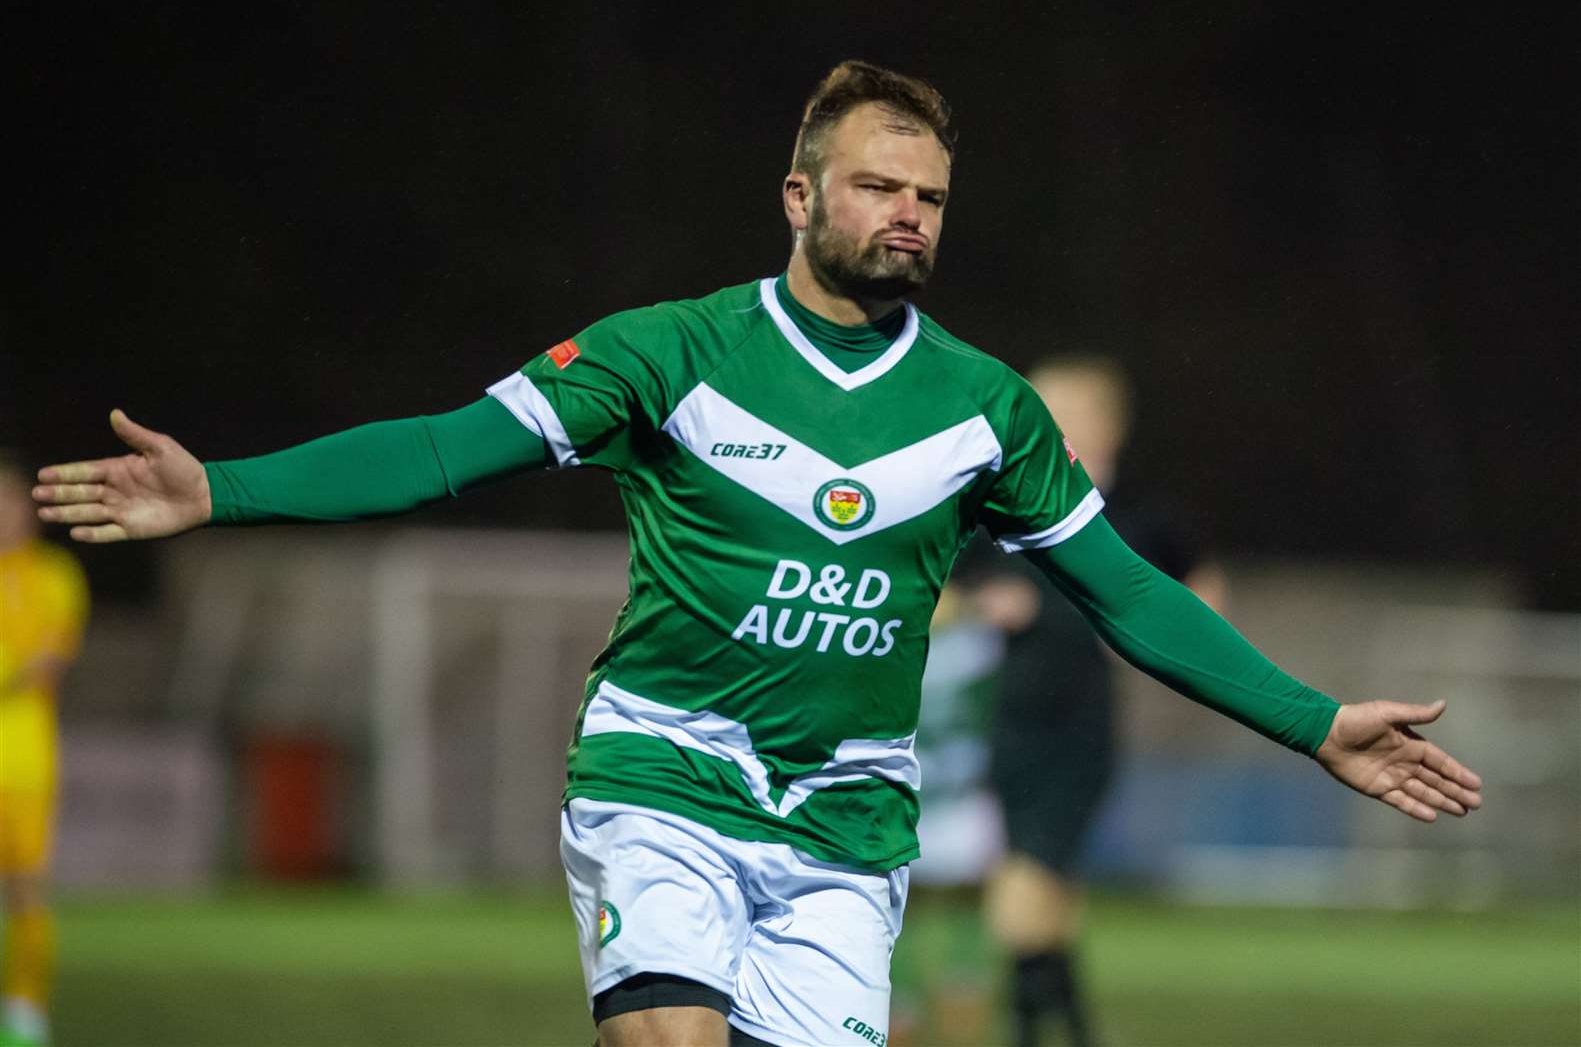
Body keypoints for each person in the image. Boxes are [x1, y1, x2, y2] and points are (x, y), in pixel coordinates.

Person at [32, 61, 1483, 1047]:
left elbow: (1124, 593)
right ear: (800, 198)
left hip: (850, 825)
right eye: (875, 188)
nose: (906, 216)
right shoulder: (669, 354)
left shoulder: (986, 411)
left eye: (927, 198)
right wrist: (215, 488)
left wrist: (1313, 723)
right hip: (666, 768)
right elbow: (435, 448)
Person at [956, 356, 1224, 1047]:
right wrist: (981, 603)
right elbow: (936, 594)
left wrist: (1161, 644)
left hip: (1083, 726)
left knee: (1023, 895)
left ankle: (1024, 1031)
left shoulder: (1141, 515)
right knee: (1048, 900)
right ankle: (1072, 1031)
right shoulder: (1000, 501)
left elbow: (1204, 592)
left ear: (1106, 425)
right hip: (1008, 724)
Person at [0, 453, 90, 1047]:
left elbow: (46, 664)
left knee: (27, 885)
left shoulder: (56, 575)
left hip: (24, 761)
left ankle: (26, 1009)